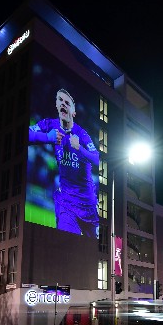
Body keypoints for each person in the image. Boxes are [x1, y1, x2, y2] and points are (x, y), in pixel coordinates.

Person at [29, 88, 100, 238]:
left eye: (67, 102)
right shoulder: (49, 125)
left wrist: (79, 148)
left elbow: (97, 159)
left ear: (74, 112)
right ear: (56, 105)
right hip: (66, 202)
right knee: (66, 244)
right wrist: (47, 137)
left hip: (87, 204)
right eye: (60, 100)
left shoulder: (82, 134)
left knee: (95, 251)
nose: (63, 104)